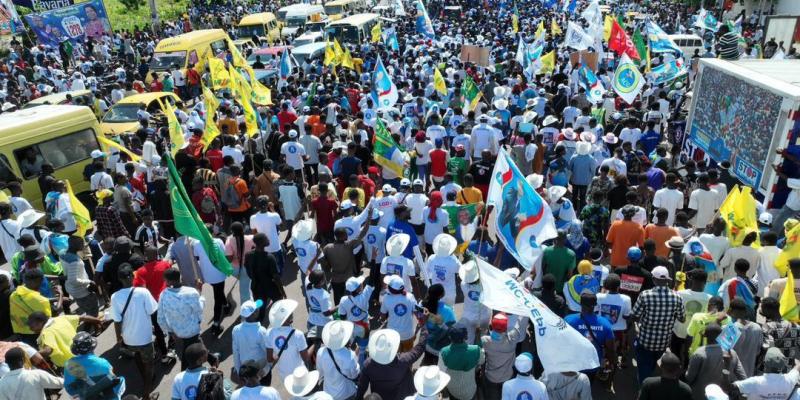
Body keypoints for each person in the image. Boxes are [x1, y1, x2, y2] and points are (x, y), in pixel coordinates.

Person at [631, 266, 686, 384]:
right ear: (667, 280)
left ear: (653, 279)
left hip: (645, 340)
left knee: (644, 368)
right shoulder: (677, 297)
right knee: (652, 362)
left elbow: (634, 315)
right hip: (663, 342)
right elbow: (682, 319)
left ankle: (644, 389)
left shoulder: (645, 295)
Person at [110, 264, 158, 398]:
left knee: (137, 357)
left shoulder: (115, 297)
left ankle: (144, 379)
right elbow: (152, 310)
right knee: (149, 363)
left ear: (120, 279)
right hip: (145, 337)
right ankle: (147, 393)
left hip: (129, 338)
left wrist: (118, 338)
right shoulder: (143, 292)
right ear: (132, 276)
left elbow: (116, 320)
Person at [157, 267, 204, 371]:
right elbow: (199, 310)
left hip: (177, 332)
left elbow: (160, 318)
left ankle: (212, 359)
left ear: (168, 282)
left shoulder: (163, 295)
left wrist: (170, 331)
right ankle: (187, 372)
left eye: (165, 280)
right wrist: (199, 291)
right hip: (193, 329)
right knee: (190, 353)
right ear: (180, 277)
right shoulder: (191, 292)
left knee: (194, 348)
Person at [685, 322, 747, 399]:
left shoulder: (699, 353)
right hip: (723, 397)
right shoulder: (732, 353)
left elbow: (689, 378)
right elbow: (743, 377)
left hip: (700, 396)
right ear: (721, 336)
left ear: (705, 337)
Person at [26, 311, 101, 368]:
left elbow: (48, 350)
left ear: (40, 322)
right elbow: (83, 317)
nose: (30, 329)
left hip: (72, 364)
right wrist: (98, 321)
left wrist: (31, 356)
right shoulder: (61, 318)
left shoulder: (47, 333)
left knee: (88, 382)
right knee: (97, 369)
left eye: (32, 326)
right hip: (84, 352)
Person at [63, 331, 125, 399]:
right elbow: (111, 378)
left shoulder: (69, 365)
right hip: (105, 394)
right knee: (122, 379)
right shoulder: (103, 363)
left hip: (85, 396)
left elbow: (68, 387)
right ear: (92, 347)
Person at [266, 299, 310, 386]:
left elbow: (269, 359)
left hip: (284, 375)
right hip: (300, 373)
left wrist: (279, 356)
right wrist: (315, 345)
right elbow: (306, 358)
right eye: (290, 314)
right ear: (286, 319)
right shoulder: (298, 334)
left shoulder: (269, 333)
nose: (292, 314)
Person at [731, 347, 800, 399]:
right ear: (782, 366)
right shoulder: (789, 380)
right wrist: (797, 363)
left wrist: (727, 366)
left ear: (764, 363)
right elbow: (797, 368)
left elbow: (729, 387)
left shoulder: (755, 382)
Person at [481, 313, 522, 400]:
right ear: (506, 327)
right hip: (507, 377)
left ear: (492, 326)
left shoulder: (485, 340)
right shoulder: (512, 339)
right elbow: (517, 327)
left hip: (491, 377)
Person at [316, 320, 360, 400]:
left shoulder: (320, 352)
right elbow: (354, 375)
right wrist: (356, 356)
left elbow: (320, 373)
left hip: (328, 393)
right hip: (346, 394)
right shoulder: (349, 356)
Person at [232, 299, 269, 384]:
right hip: (261, 372)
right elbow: (268, 353)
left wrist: (239, 372)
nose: (258, 309)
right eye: (256, 309)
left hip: (246, 373)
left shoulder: (236, 330)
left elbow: (236, 353)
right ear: (254, 314)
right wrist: (265, 371)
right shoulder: (261, 331)